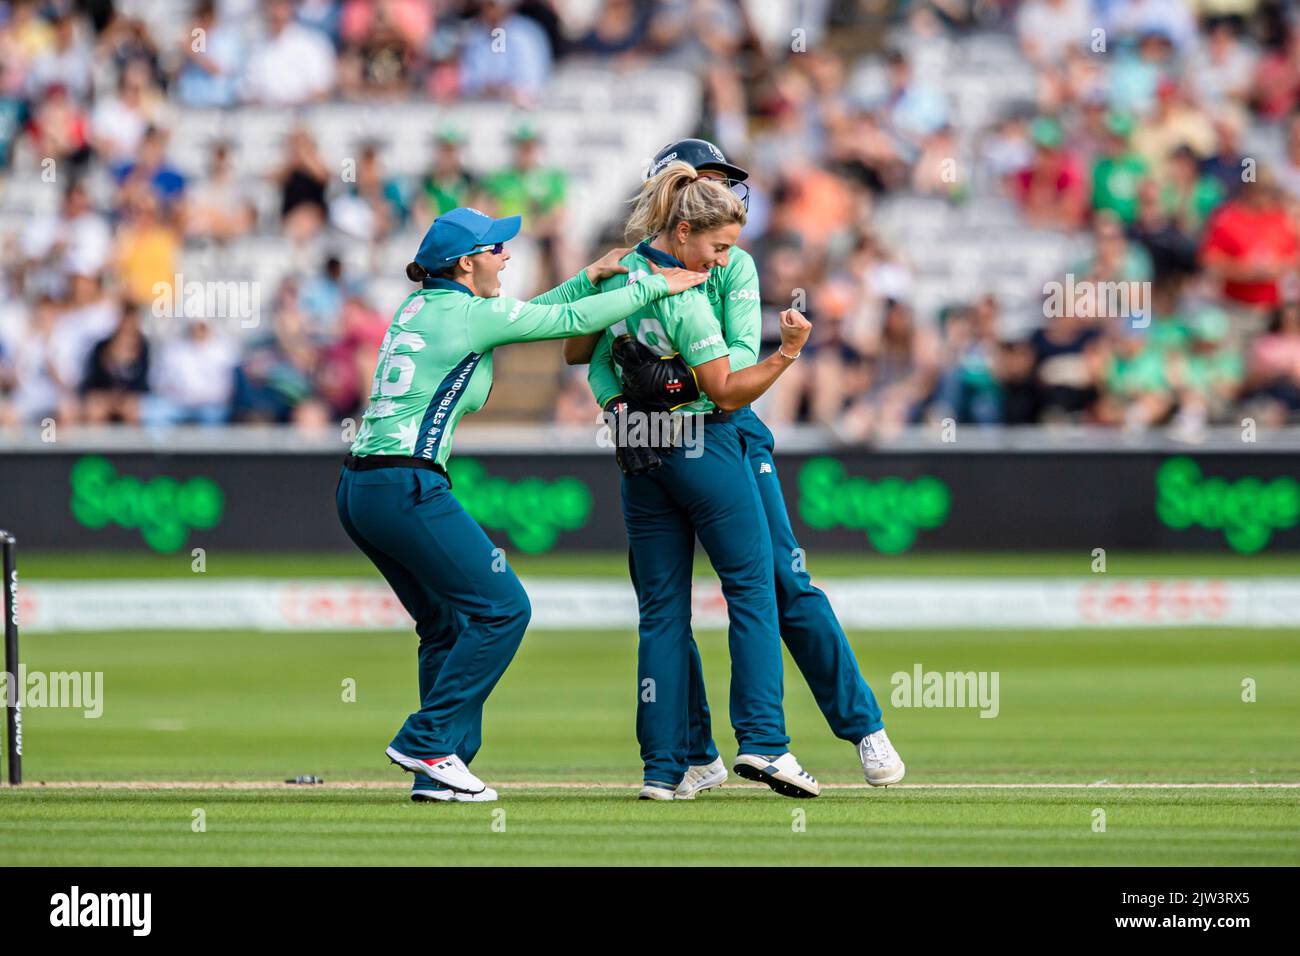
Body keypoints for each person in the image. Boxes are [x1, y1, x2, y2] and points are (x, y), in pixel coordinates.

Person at [563, 139, 904, 795]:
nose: (719, 193)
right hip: (688, 432)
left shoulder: (735, 266)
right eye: (706, 182)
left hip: (730, 428)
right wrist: (624, 406)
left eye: (721, 182)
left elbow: (736, 363)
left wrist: (655, 394)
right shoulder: (646, 265)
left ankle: (862, 727)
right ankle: (704, 752)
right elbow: (602, 358)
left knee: (785, 583)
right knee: (717, 595)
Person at [336, 207, 706, 802]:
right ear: (465, 263)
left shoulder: (422, 306)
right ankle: (429, 739)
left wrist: (587, 276)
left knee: (445, 625)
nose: (506, 256)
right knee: (504, 608)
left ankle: (443, 764)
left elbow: (538, 314)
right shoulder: (465, 317)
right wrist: (652, 285)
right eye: (496, 249)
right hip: (405, 486)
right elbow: (567, 320)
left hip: (360, 489)